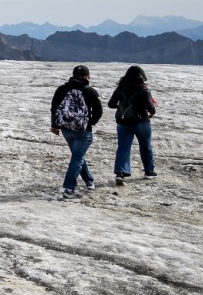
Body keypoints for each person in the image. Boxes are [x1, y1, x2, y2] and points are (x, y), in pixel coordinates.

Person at [49, 65, 103, 199]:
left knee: (77, 156)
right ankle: (69, 188)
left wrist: (54, 125)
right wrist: (89, 123)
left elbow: (54, 108)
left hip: (66, 129)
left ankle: (89, 181)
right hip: (83, 131)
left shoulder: (61, 89)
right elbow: (98, 111)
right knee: (77, 158)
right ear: (86, 76)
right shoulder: (89, 90)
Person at [107, 66, 159, 185]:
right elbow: (150, 107)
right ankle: (148, 171)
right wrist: (152, 112)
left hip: (123, 123)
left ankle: (120, 173)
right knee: (145, 146)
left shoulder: (120, 89)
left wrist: (124, 107)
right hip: (141, 121)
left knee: (123, 148)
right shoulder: (144, 90)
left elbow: (111, 104)